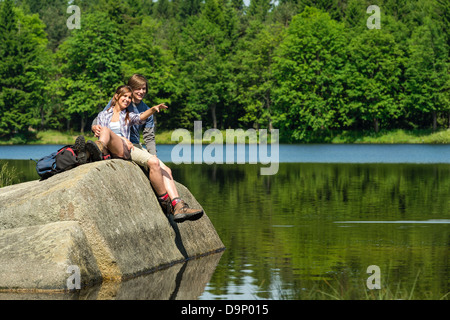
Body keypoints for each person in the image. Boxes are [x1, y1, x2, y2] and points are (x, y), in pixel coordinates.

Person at [87, 83, 203, 222]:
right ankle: (98, 150)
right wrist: (97, 128)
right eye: (124, 96)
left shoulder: (128, 115)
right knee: (105, 131)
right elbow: (100, 128)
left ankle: (172, 203)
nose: (127, 99)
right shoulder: (103, 115)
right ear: (116, 97)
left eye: (129, 97)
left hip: (123, 148)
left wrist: (153, 110)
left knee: (157, 164)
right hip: (111, 146)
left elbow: (140, 118)